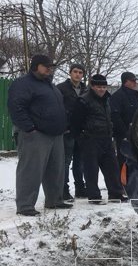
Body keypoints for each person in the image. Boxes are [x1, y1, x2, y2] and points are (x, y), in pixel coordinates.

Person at [7, 54, 72, 216]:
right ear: (36, 66)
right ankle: (25, 205)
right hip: (35, 135)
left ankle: (54, 200)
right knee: (31, 170)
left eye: (51, 67)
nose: (49, 69)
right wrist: (29, 128)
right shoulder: (23, 84)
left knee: (55, 170)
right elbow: (16, 107)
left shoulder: (50, 85)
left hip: (56, 135)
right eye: (46, 66)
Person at [72, 74, 127, 204]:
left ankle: (116, 193)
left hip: (106, 138)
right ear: (92, 86)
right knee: (91, 169)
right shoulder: (83, 100)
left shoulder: (107, 99)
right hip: (90, 139)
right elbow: (75, 122)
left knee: (112, 168)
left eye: (103, 87)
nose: (101, 89)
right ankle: (94, 196)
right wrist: (81, 138)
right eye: (98, 87)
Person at [56, 63, 87, 201]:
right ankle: (63, 190)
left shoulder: (86, 89)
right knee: (65, 161)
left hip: (81, 131)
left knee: (79, 161)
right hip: (67, 130)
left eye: (80, 72)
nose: (78, 74)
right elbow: (57, 108)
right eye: (75, 71)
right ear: (70, 73)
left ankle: (80, 188)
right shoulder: (61, 88)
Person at [110, 71, 138, 165]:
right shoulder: (117, 96)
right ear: (125, 82)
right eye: (132, 81)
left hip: (135, 134)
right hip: (123, 136)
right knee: (123, 160)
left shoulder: (134, 95)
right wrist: (125, 132)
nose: (135, 83)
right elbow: (115, 116)